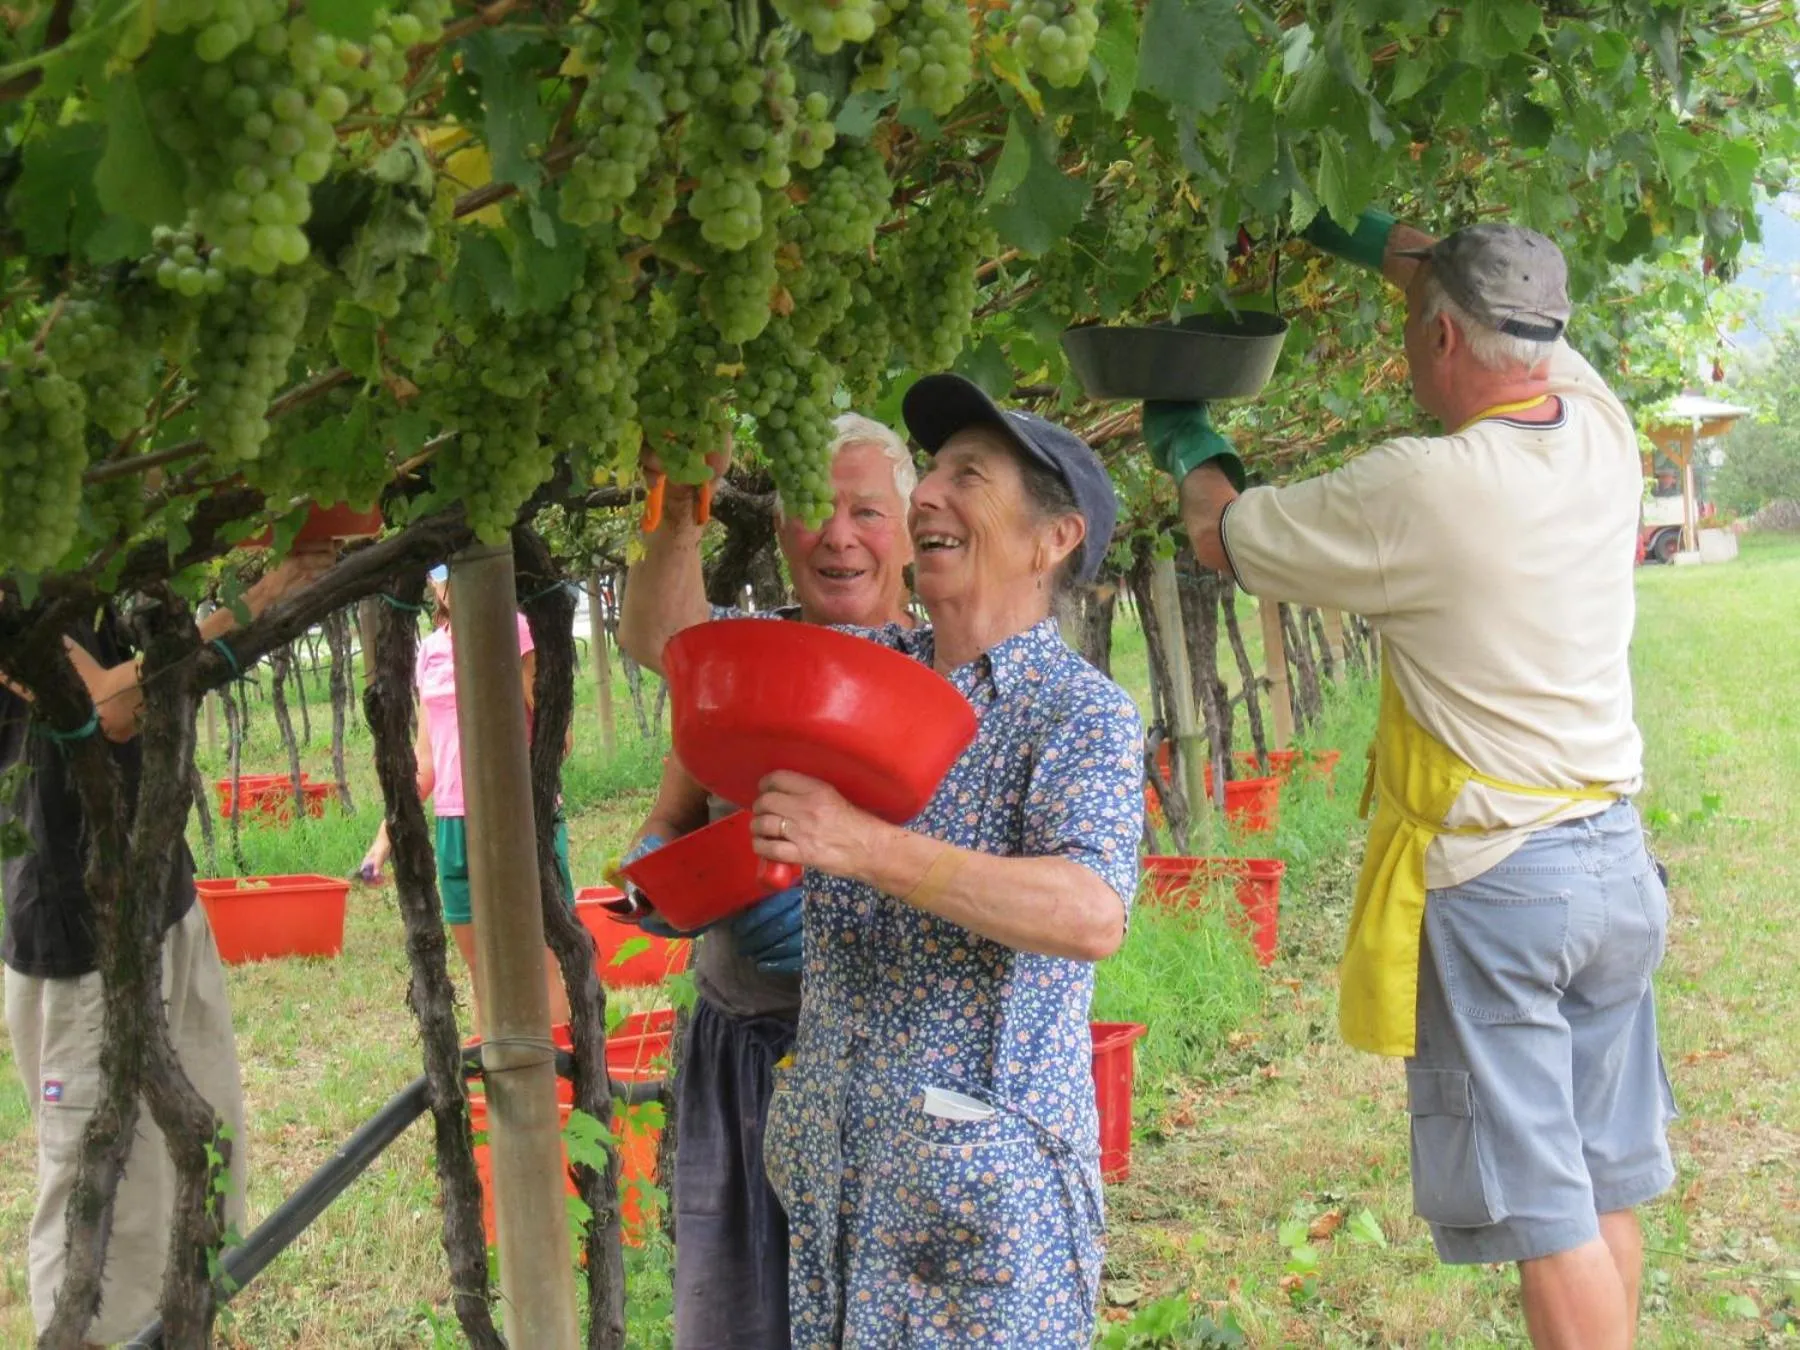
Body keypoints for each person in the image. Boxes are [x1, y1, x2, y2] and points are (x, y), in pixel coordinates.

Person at [1153, 215, 1673, 1350]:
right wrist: (1366, 237)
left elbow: (1222, 539)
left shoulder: (1423, 488)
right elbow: (1455, 281)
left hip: (1505, 885)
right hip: (1615, 863)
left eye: (1409, 323)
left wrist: (1192, 441)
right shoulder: (1597, 421)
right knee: (1603, 1178)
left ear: (1443, 334)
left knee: (1548, 1213)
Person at [741, 378, 1144, 1348]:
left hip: (982, 1213)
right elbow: (669, 642)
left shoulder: (1079, 714)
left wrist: (866, 847)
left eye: (968, 475)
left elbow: (1090, 911)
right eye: (932, 471)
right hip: (844, 1187)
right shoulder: (866, 678)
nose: (927, 495)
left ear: (1054, 541)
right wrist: (674, 506)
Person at [615, 414, 918, 1350]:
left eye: (868, 512)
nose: (839, 535)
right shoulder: (737, 668)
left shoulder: (947, 681)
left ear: (911, 533)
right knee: (746, 1318)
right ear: (779, 528)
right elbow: (668, 813)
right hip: (741, 1052)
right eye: (814, 510)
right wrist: (660, 879)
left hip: (886, 1073)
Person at [0, 548, 332, 1346]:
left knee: (192, 1159)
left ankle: (181, 1325)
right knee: (98, 1202)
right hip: (77, 934)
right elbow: (111, 704)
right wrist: (274, 587)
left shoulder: (84, 554)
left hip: (158, 899)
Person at [357, 565, 574, 1031]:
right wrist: (384, 838)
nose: (449, 579)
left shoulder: (517, 631)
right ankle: (497, 1083)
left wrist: (522, 670)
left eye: (457, 567)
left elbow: (561, 738)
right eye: (438, 571)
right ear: (432, 583)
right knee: (483, 971)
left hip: (521, 817)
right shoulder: (431, 651)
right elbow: (427, 757)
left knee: (543, 962)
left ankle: (559, 1087)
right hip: (455, 822)